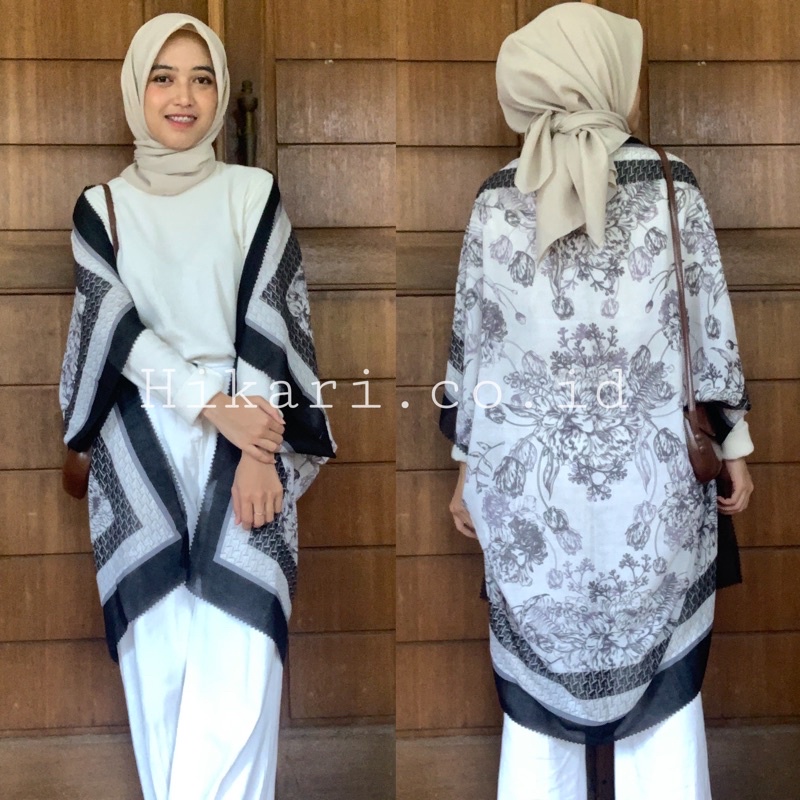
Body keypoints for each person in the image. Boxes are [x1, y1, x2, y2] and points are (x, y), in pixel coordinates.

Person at [439, 5, 753, 799]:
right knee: (664, 714)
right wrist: (735, 448)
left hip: (528, 488)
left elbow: (477, 354)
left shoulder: (497, 197)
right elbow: (708, 327)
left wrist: (466, 467)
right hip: (652, 483)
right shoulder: (673, 185)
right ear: (605, 74)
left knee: (536, 723)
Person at [59, 13, 335, 800]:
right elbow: (117, 332)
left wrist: (257, 452)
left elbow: (269, 324)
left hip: (250, 438)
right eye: (164, 77)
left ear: (220, 94)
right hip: (139, 450)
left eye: (202, 78)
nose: (184, 96)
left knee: (241, 672)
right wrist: (216, 408)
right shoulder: (101, 207)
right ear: (136, 90)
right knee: (161, 677)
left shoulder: (252, 194)